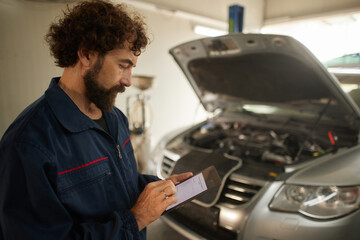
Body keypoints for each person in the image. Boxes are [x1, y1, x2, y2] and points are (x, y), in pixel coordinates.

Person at [0, 0, 192, 239]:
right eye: (123, 66)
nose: (128, 81)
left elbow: (118, 184)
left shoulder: (115, 118)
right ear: (87, 55)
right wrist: (137, 219)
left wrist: (160, 192)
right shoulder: (28, 145)